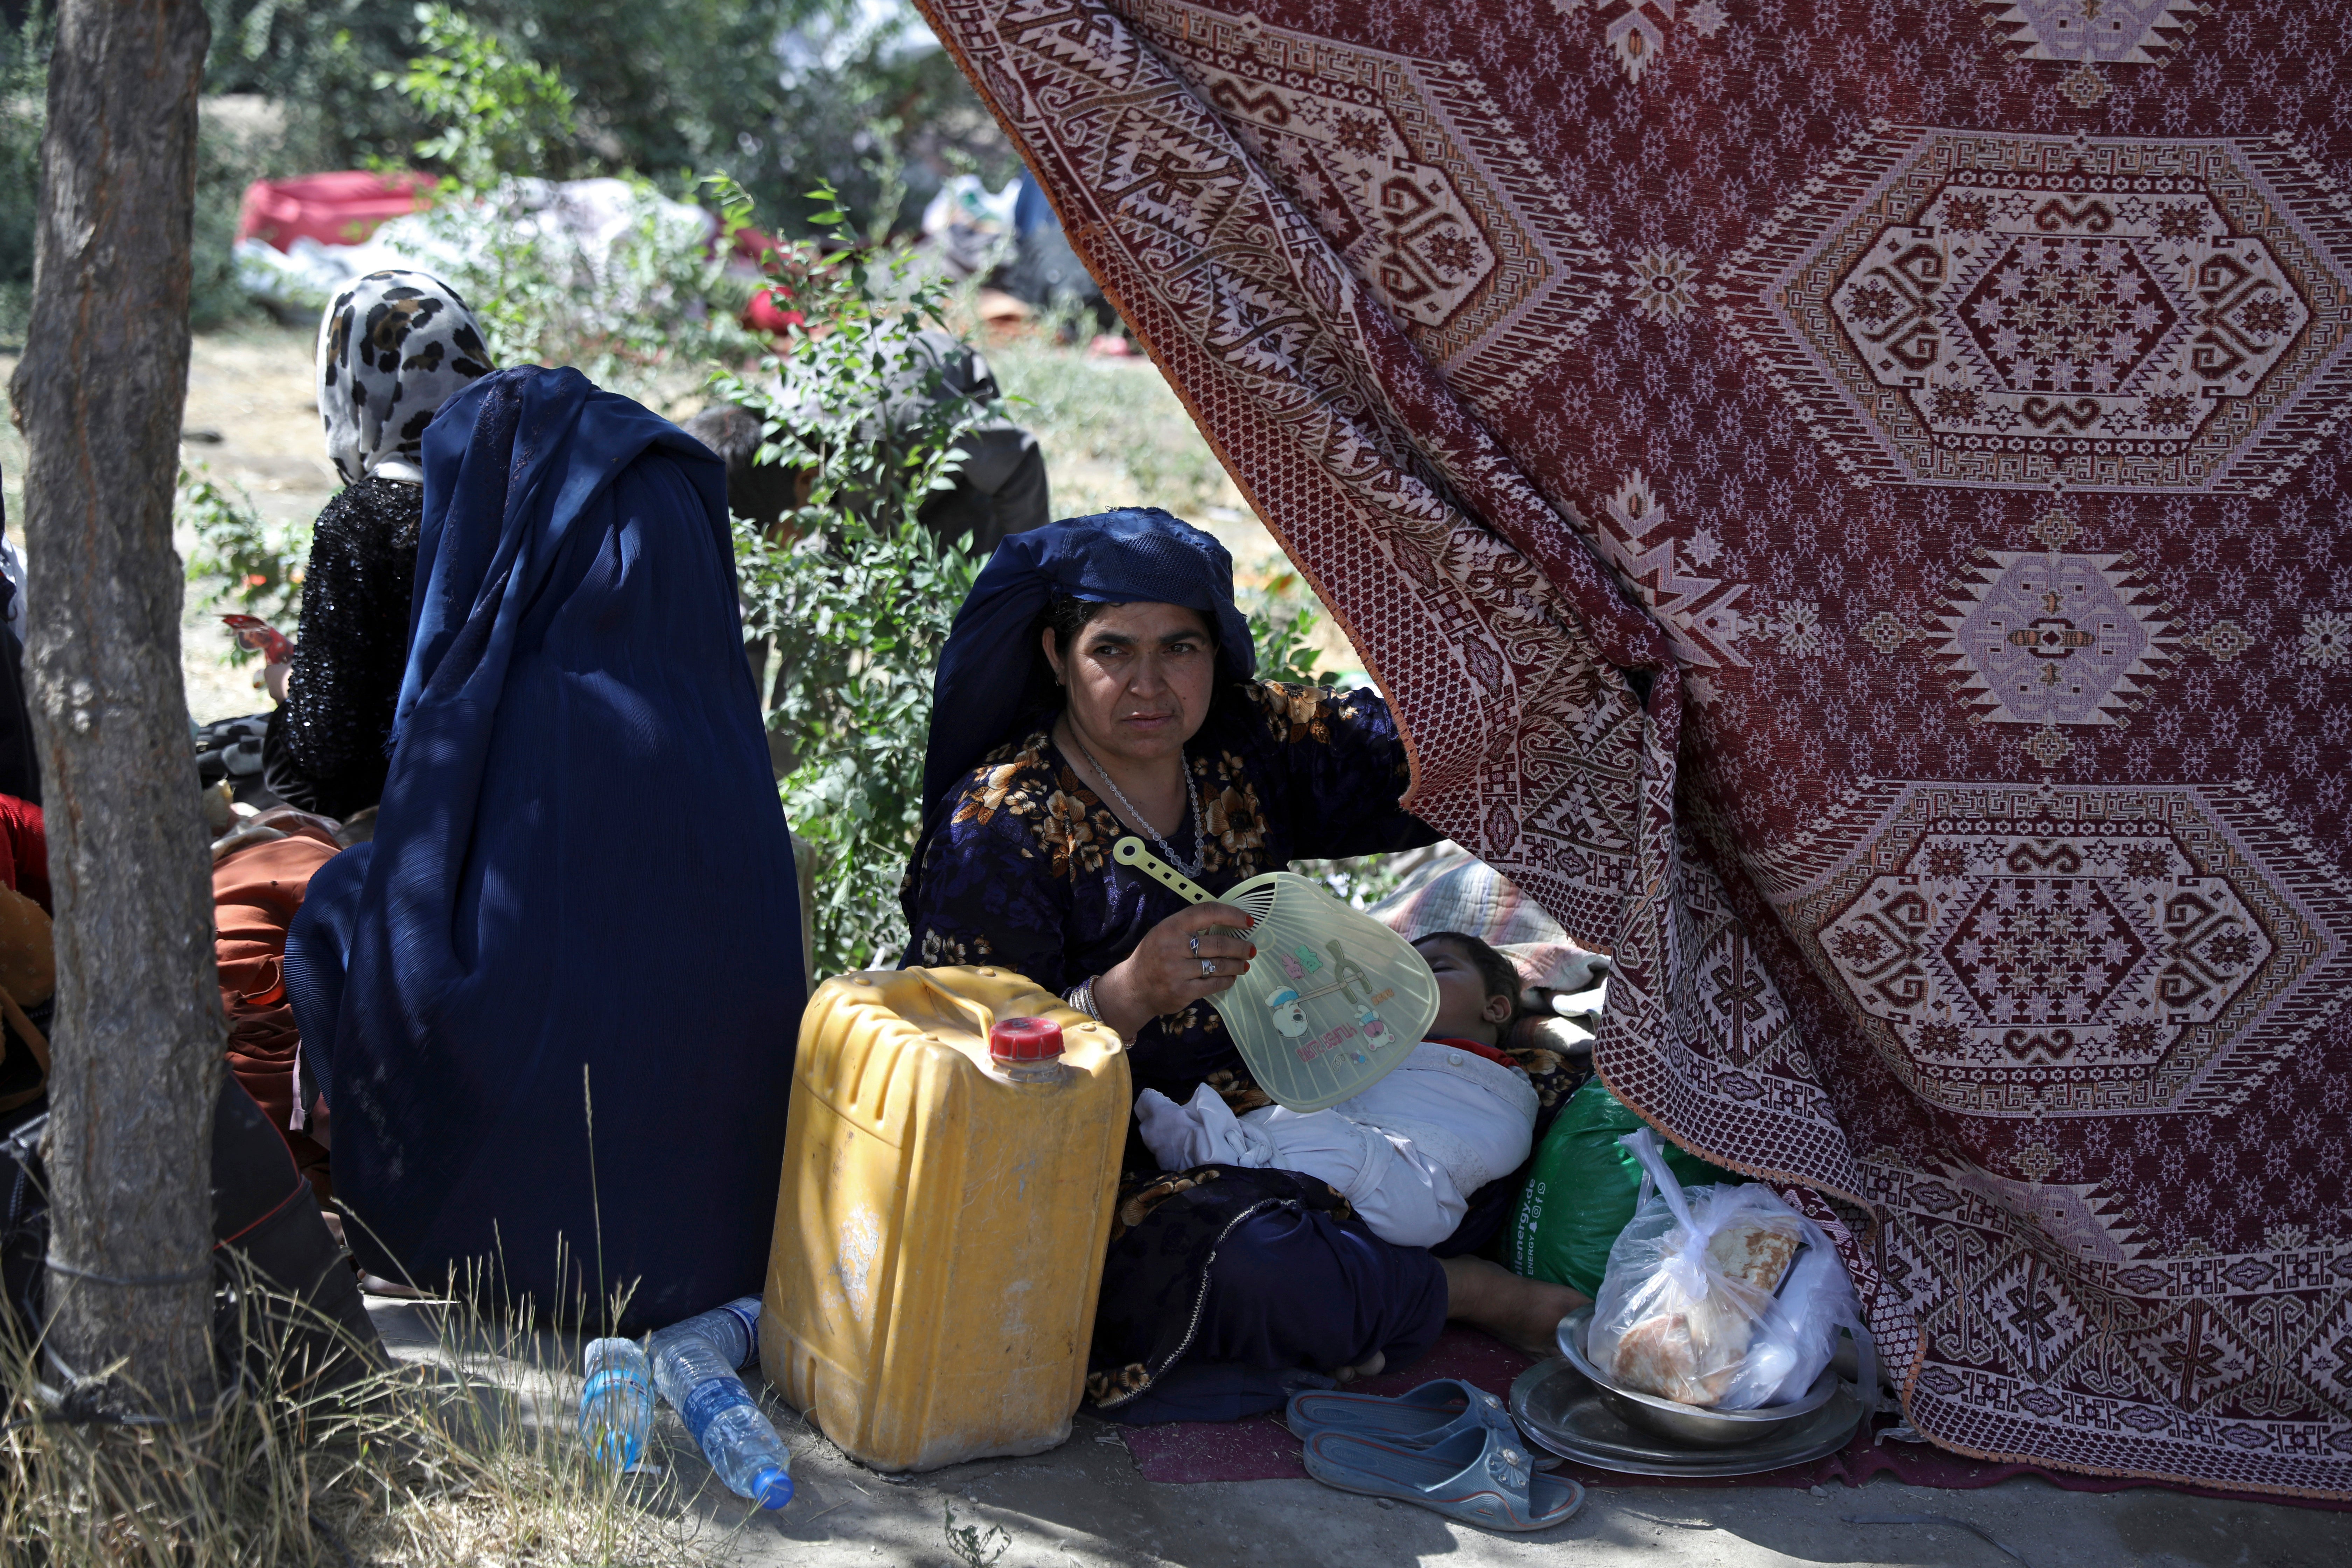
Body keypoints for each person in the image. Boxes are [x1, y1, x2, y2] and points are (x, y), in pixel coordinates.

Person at [902, 507, 1583, 1422]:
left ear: (1217, 654)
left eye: (1179, 649)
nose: (1149, 686)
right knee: (1248, 1261)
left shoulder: (1243, 744)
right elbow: (967, 1063)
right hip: (1131, 1165)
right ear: (1058, 655)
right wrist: (1123, 996)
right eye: (1113, 652)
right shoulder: (999, 830)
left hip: (1308, 1092)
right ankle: (1461, 1292)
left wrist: (1567, 658)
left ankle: (1363, 1287)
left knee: (1532, 1093)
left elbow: (1419, 752)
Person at [283, 363, 807, 1332]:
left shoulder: (505, 691)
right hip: (728, 1239)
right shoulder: (718, 703)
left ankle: (399, 1205)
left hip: (515, 1247)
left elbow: (417, 892)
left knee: (334, 910)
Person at [260, 270, 497, 819]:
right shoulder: (522, 485)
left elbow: (324, 743)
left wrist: (285, 683)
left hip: (401, 813)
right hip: (512, 788)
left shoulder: (364, 521)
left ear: (351, 380)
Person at [1131, 931, 1539, 1248]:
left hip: (1416, 1184)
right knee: (1298, 1123)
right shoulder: (1373, 1045)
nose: (1410, 980)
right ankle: (1225, 1148)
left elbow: (1501, 1133)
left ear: (1496, 1008)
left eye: (1435, 968)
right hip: (1352, 1153)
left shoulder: (1499, 1079)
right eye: (1397, 974)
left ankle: (1217, 1150)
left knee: (1327, 1143)